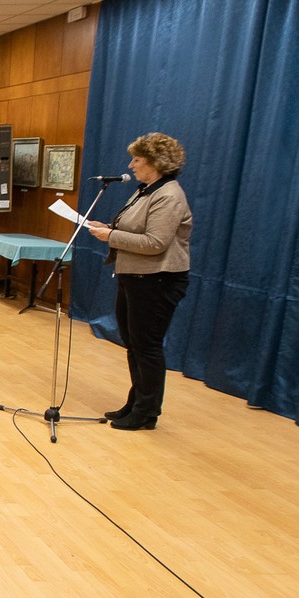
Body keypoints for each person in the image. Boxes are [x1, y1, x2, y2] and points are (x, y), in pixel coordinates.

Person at [86, 131, 193, 431]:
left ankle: (147, 413)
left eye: (137, 159)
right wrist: (106, 227)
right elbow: (134, 228)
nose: (131, 165)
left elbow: (155, 242)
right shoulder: (146, 190)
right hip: (134, 277)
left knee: (146, 346)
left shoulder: (169, 195)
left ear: (156, 162)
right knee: (133, 343)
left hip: (158, 280)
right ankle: (136, 402)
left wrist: (111, 236)